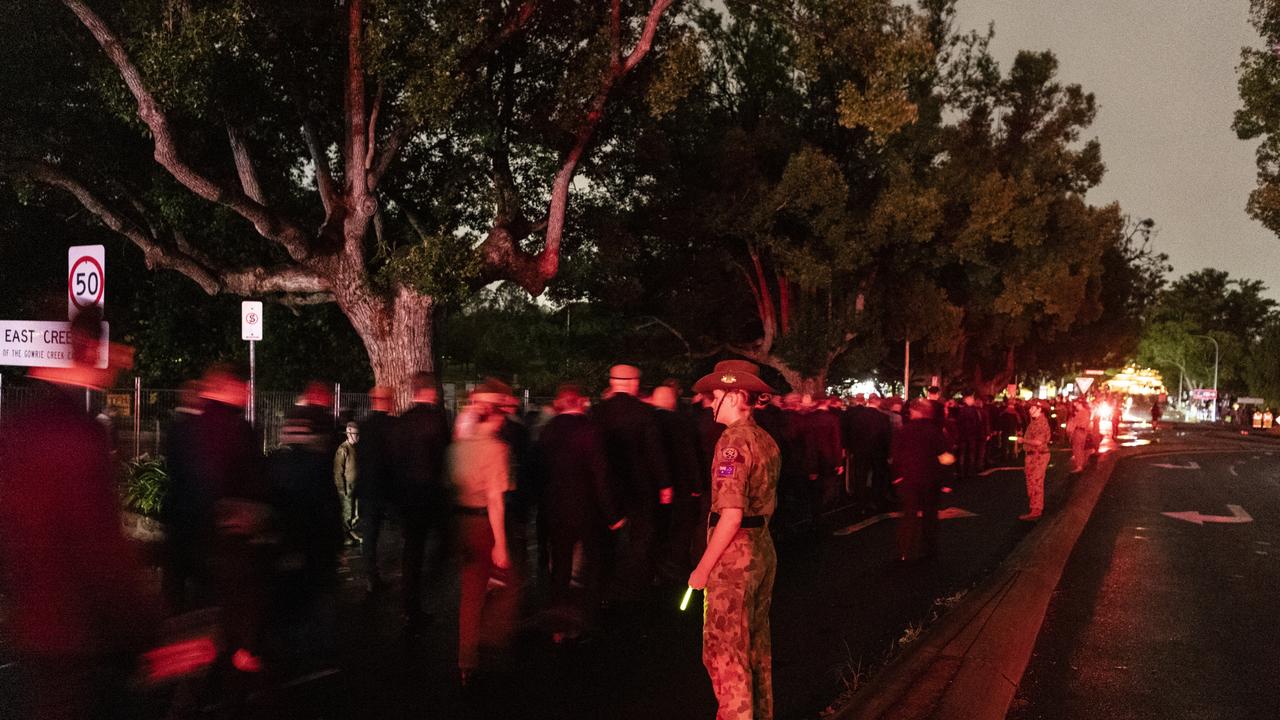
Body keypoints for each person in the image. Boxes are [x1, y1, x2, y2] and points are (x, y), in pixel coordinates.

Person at [0, 308, 162, 719]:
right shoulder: (81, 433)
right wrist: (141, 620)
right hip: (81, 626)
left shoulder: (20, 427)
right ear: (88, 348)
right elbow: (100, 544)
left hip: (32, 618)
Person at [687, 360, 780, 720]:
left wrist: (702, 569)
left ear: (737, 395)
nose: (710, 403)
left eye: (716, 396)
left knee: (725, 653)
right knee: (755, 648)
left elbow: (731, 513)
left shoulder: (733, 441)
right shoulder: (765, 439)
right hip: (760, 550)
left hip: (734, 556)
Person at [533, 384, 626, 642]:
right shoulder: (590, 430)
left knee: (560, 563)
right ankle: (588, 616)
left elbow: (539, 472)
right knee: (591, 563)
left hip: (555, 506)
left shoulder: (547, 431)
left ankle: (557, 621)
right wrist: (612, 514)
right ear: (580, 401)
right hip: (586, 507)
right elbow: (601, 475)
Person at [449, 382, 515, 685]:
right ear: (495, 417)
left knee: (469, 593)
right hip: (481, 524)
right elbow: (495, 501)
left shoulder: (457, 447)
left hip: (459, 522)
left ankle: (466, 659)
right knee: (509, 583)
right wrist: (500, 544)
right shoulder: (497, 449)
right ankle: (489, 640)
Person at [592, 364, 672, 605]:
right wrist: (665, 484)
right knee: (640, 539)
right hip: (639, 485)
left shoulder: (597, 411)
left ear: (613, 382)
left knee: (605, 537)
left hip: (604, 484)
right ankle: (632, 590)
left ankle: (602, 587)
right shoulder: (645, 412)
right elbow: (655, 451)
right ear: (634, 383)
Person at [391, 371, 452, 635]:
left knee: (411, 551)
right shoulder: (437, 420)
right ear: (432, 391)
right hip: (430, 493)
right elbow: (443, 457)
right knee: (443, 542)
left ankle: (409, 603)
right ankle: (424, 589)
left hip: (407, 494)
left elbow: (394, 460)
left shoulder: (402, 422)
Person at [890, 399, 956, 563]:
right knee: (930, 516)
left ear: (914, 412)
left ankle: (905, 550)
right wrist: (947, 481)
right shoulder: (935, 432)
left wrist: (897, 477)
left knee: (909, 515)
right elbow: (946, 458)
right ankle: (929, 549)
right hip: (930, 479)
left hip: (908, 479)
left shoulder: (903, 431)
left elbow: (895, 457)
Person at [356, 386, 396, 594]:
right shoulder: (393, 425)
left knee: (370, 533)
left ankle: (371, 574)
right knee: (393, 530)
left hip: (368, 486)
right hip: (388, 486)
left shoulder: (364, 426)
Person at [1020, 402, 1052, 521]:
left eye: (1032, 408)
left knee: (1036, 482)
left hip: (1038, 455)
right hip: (1033, 455)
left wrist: (1023, 440)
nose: (1029, 410)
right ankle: (1034, 507)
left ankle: (1036, 509)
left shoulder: (1041, 422)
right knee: (1032, 481)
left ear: (1039, 409)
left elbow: (1038, 442)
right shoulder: (1034, 421)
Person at [333, 420, 360, 544]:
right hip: (347, 487)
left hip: (354, 486)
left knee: (355, 512)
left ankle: (350, 532)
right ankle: (345, 536)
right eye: (356, 434)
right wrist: (341, 488)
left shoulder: (355, 448)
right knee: (347, 512)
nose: (358, 437)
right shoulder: (343, 449)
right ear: (349, 434)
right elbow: (338, 470)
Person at [1066, 398, 1092, 473]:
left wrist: (1073, 423)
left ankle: (1079, 466)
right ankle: (1081, 464)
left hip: (1079, 431)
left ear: (1080, 404)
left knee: (1077, 449)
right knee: (1079, 448)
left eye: (1076, 403)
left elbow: (1078, 423)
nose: (1075, 405)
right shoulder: (1083, 412)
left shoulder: (1082, 412)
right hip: (1081, 432)